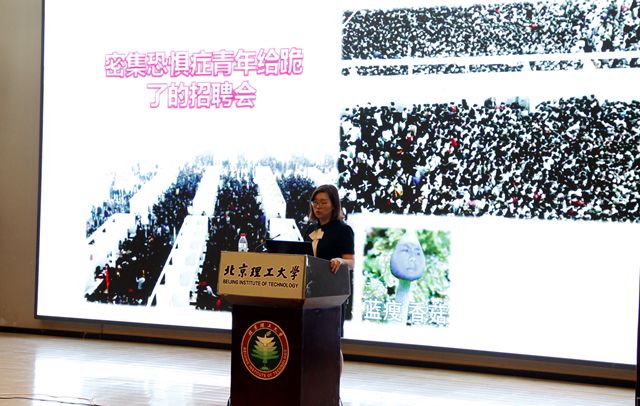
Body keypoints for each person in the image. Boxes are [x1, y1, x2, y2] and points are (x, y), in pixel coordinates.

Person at [303, 184, 354, 377]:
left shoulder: (343, 230)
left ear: (334, 205)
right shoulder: (310, 229)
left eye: (323, 202)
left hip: (332, 293)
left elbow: (351, 262)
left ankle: (333, 386)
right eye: (315, 202)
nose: (318, 206)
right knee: (310, 339)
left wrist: (340, 261)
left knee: (331, 342)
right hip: (310, 292)